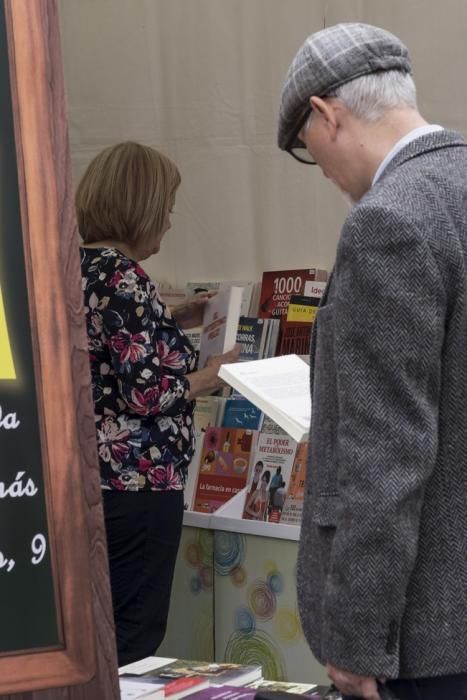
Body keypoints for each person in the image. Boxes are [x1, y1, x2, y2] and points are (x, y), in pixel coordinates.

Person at [278, 23, 467, 700]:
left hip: (426, 636)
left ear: (325, 115)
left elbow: (384, 455)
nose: (326, 175)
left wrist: (356, 642)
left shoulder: (389, 222)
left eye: (309, 151)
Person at [76, 141, 239, 666]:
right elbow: (145, 392)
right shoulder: (125, 276)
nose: (168, 226)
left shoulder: (80, 268)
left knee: (96, 633)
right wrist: (208, 378)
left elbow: (109, 349)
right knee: (135, 637)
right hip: (139, 483)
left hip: (93, 479)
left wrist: (175, 317)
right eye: (165, 212)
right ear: (140, 208)